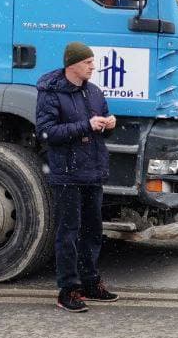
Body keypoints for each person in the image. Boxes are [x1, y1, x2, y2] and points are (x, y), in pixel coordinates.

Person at [36, 42, 120, 313]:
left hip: (92, 172)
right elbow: (46, 132)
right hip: (67, 173)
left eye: (92, 62)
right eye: (88, 62)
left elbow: (101, 129)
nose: (93, 67)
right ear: (72, 65)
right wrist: (86, 125)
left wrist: (109, 124)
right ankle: (68, 290)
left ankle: (89, 283)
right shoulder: (51, 93)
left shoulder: (94, 92)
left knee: (92, 231)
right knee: (68, 233)